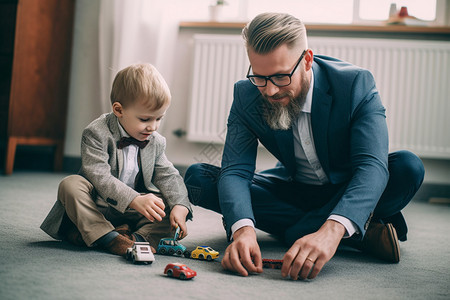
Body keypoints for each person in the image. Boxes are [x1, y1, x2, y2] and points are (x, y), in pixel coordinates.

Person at [184, 13, 424, 280]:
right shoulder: (247, 94)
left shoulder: (355, 84)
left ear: (307, 60)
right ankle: (361, 229)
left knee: (407, 167)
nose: (270, 90)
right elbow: (236, 170)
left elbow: (371, 167)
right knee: (198, 178)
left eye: (280, 77)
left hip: (346, 187)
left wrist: (331, 231)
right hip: (292, 190)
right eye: (260, 77)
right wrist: (242, 230)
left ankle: (322, 228)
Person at [41, 63, 192, 256]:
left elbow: (169, 175)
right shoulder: (96, 133)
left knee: (166, 206)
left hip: (133, 213)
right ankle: (109, 238)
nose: (153, 127)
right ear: (119, 110)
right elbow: (99, 177)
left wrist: (180, 205)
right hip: (98, 204)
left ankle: (131, 239)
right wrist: (134, 199)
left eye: (158, 119)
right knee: (70, 185)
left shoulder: (156, 141)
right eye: (145, 120)